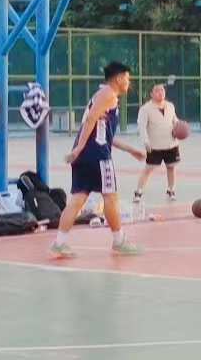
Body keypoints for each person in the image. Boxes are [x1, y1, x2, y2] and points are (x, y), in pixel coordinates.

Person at [50, 62, 145, 259]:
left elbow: (102, 133)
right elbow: (90, 120)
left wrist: (130, 150)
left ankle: (59, 242)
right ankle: (119, 240)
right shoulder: (108, 94)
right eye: (127, 78)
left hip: (87, 153)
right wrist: (78, 148)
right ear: (119, 78)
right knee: (110, 196)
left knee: (78, 198)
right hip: (97, 155)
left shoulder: (101, 96)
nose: (129, 82)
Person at [134, 84, 181, 202]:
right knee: (148, 169)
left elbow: (174, 120)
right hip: (154, 145)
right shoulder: (145, 109)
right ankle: (138, 192)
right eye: (157, 91)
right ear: (151, 94)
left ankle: (171, 190)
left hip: (171, 143)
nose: (160, 93)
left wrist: (180, 126)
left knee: (171, 167)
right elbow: (142, 126)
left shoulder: (170, 106)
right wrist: (145, 141)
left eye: (162, 90)